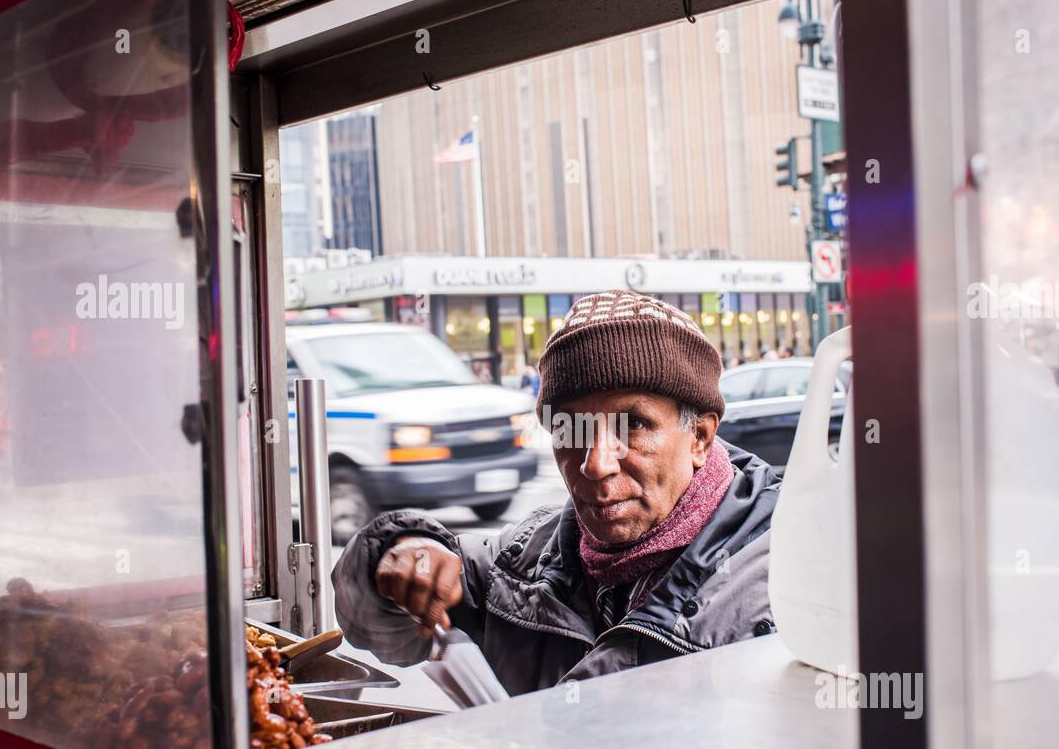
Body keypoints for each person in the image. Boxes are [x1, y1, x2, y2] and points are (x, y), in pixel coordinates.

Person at [331, 290, 781, 694]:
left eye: (635, 424)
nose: (596, 462)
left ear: (699, 437)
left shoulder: (793, 573)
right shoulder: (522, 562)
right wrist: (399, 554)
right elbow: (377, 627)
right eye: (570, 428)